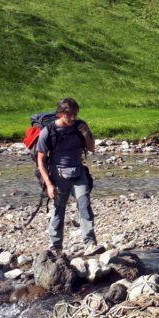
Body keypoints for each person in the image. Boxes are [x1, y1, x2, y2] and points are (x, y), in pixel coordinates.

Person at [36, 98, 97, 254]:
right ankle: (56, 246)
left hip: (79, 172)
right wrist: (49, 185)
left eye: (75, 114)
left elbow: (91, 148)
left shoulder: (80, 126)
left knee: (84, 205)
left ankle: (90, 243)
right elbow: (41, 160)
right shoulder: (48, 131)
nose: (73, 118)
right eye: (69, 115)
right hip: (58, 174)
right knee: (58, 209)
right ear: (60, 114)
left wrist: (85, 134)